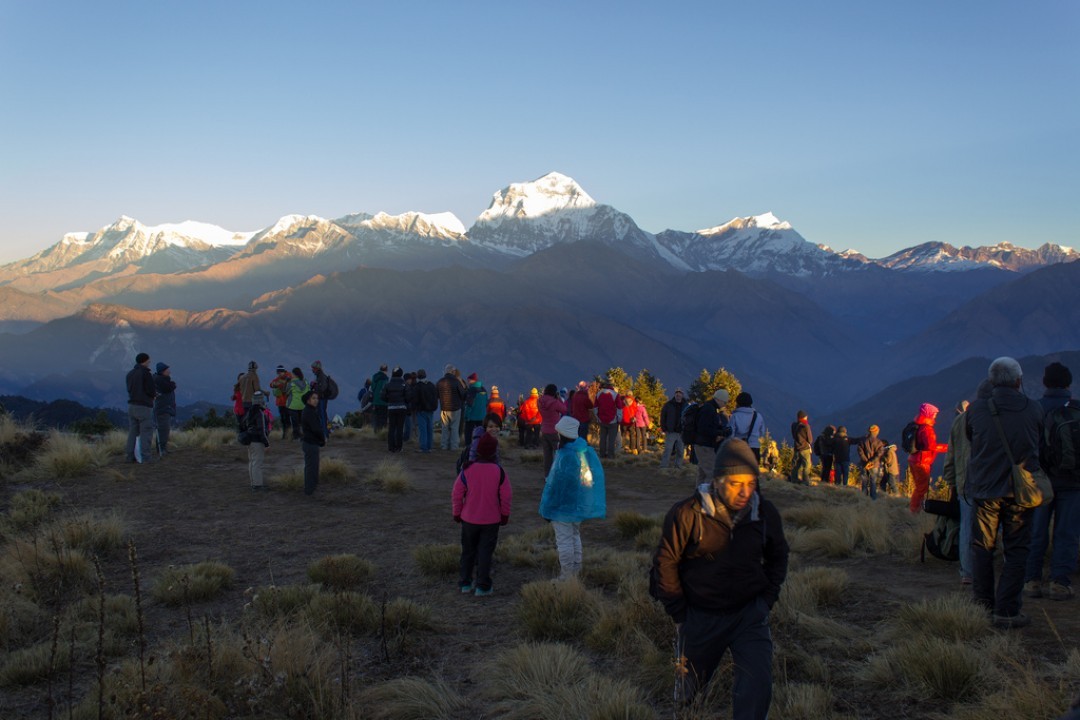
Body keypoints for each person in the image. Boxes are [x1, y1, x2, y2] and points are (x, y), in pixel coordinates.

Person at [649, 439, 789, 717]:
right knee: (689, 692)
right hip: (701, 617)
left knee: (757, 686)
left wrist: (766, 601)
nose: (745, 491)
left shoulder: (764, 513)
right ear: (717, 480)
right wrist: (681, 614)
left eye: (751, 483)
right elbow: (666, 563)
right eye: (736, 483)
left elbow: (779, 555)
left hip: (749, 615)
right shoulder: (687, 514)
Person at [965, 357, 1044, 628]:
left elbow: (971, 439)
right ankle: (1007, 610)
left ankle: (982, 605)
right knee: (1017, 549)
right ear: (1019, 380)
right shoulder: (1033, 409)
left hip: (985, 489)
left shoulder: (976, 411)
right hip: (1020, 491)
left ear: (991, 380)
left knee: (982, 548)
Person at [1026, 361, 1078, 601]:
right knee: (1066, 532)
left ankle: (1032, 580)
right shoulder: (1076, 409)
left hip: (1040, 480)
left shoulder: (1035, 408)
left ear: (1046, 383)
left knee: (1037, 531)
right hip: (1072, 481)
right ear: (1068, 384)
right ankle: (1059, 581)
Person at [540, 416, 606, 580]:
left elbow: (556, 485)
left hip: (563, 507)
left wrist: (549, 507)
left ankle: (567, 576)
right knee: (574, 536)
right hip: (578, 505)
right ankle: (576, 570)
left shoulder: (566, 456)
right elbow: (588, 480)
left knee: (564, 541)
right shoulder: (583, 451)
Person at [452, 432, 512, 597]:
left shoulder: (467, 470)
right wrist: (504, 515)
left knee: (468, 551)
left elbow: (457, 493)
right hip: (491, 520)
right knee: (485, 552)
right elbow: (506, 496)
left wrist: (457, 513)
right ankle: (482, 586)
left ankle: (465, 583)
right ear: (494, 452)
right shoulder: (499, 472)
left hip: (469, 519)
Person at [943, 399, 976, 584]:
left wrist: (951, 482)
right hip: (994, 483)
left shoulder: (959, 421)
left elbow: (951, 455)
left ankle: (967, 571)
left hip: (965, 482)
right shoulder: (997, 417)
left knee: (967, 527)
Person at [908, 403, 948, 513]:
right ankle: (914, 511)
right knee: (921, 489)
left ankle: (915, 509)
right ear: (929, 414)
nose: (935, 416)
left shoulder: (918, 425)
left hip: (914, 459)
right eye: (934, 414)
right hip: (922, 461)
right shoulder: (927, 428)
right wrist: (948, 447)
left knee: (919, 487)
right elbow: (931, 446)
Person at [125, 352, 157, 464]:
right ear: (145, 361)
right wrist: (154, 396)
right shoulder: (146, 374)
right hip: (143, 406)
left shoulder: (130, 374)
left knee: (133, 431)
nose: (150, 362)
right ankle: (146, 457)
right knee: (146, 432)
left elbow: (129, 389)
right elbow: (150, 390)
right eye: (149, 360)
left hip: (131, 405)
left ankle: (129, 456)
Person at [693, 390, 731, 483]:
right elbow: (704, 429)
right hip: (705, 445)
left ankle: (700, 494)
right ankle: (706, 494)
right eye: (724, 402)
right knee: (713, 473)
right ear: (719, 400)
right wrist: (720, 433)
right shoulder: (709, 410)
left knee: (703, 473)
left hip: (701, 444)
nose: (725, 404)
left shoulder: (708, 407)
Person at [300, 389, 325, 496]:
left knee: (312, 466)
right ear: (308, 400)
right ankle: (309, 490)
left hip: (309, 442)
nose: (316, 400)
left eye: (317, 398)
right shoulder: (310, 412)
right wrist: (322, 439)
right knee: (311, 467)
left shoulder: (309, 411)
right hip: (311, 443)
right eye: (313, 398)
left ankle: (311, 488)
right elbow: (316, 429)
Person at [246, 391, 273, 491]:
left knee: (252, 462)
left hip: (250, 441)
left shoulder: (250, 411)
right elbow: (261, 430)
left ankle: (254, 483)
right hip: (257, 441)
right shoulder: (259, 413)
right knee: (257, 463)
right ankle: (257, 486)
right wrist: (267, 444)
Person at [538, 384, 567, 475]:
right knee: (559, 453)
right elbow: (564, 409)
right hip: (554, 431)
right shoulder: (555, 402)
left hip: (544, 430)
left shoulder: (539, 401)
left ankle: (547, 475)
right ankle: (559, 473)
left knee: (547, 456)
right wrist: (558, 398)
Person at [729, 392, 765, 463]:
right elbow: (762, 432)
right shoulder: (758, 416)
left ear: (738, 403)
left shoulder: (735, 416)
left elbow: (730, 434)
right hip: (754, 449)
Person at [437, 364, 466, 451]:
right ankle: (454, 447)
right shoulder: (456, 382)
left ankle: (444, 446)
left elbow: (436, 394)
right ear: (452, 372)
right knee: (454, 428)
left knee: (445, 428)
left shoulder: (440, 381)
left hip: (444, 408)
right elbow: (463, 394)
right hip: (455, 408)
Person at [152, 362, 176, 457]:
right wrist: (173, 384)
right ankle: (162, 449)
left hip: (163, 407)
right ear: (162, 371)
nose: (169, 372)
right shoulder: (161, 381)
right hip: (163, 408)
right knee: (164, 429)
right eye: (167, 370)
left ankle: (162, 448)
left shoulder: (158, 379)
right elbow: (168, 388)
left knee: (163, 429)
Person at [660, 388, 688, 469]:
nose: (678, 395)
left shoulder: (686, 406)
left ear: (682, 395)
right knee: (668, 450)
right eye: (677, 393)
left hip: (681, 432)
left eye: (680, 393)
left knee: (680, 451)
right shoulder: (668, 405)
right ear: (675, 394)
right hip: (671, 431)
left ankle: (678, 466)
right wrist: (664, 428)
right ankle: (664, 466)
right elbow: (663, 416)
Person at [383, 367, 408, 453]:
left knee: (392, 428)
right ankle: (399, 448)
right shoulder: (404, 384)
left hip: (391, 408)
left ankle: (391, 448)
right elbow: (409, 396)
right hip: (402, 408)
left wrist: (389, 401)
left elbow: (382, 396)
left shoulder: (388, 385)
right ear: (401, 374)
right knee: (400, 428)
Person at [594, 380, 622, 459]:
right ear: (612, 387)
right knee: (611, 439)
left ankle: (602, 454)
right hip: (612, 420)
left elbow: (595, 407)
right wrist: (619, 419)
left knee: (602, 438)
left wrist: (598, 417)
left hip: (602, 420)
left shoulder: (598, 394)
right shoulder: (615, 394)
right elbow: (619, 408)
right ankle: (610, 455)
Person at [856, 425, 885, 500]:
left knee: (864, 482)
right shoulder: (879, 442)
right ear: (876, 432)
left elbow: (860, 452)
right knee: (873, 482)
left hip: (863, 464)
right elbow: (879, 454)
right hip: (874, 465)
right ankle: (873, 499)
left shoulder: (862, 441)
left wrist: (866, 461)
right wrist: (871, 462)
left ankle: (863, 498)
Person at [414, 369, 438, 453]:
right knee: (430, 428)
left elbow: (415, 399)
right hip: (430, 410)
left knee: (423, 429)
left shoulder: (417, 386)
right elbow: (436, 396)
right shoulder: (431, 385)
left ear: (418, 376)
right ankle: (429, 446)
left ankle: (423, 447)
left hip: (421, 410)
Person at [269, 365, 293, 440]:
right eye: (278, 372)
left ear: (283, 371)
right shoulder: (278, 379)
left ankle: (289, 434)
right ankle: (285, 434)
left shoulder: (289, 376)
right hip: (280, 402)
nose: (279, 374)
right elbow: (271, 384)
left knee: (287, 418)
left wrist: (278, 384)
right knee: (283, 419)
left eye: (280, 372)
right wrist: (276, 384)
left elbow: (288, 383)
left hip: (287, 402)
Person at [463, 373, 488, 441]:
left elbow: (469, 404)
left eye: (469, 380)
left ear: (472, 380)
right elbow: (486, 403)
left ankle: (468, 446)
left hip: (472, 416)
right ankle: (480, 445)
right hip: (482, 415)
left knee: (468, 431)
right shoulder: (483, 389)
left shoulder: (471, 390)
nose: (468, 382)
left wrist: (466, 416)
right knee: (481, 432)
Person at [790, 410, 813, 485]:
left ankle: (794, 479)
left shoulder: (794, 425)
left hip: (797, 448)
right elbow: (810, 439)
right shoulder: (806, 426)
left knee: (796, 464)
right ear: (804, 417)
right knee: (806, 465)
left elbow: (794, 436)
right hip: (805, 449)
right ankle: (805, 481)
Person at [311, 361, 332, 435]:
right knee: (322, 415)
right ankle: (324, 432)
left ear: (317, 368)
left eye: (313, 368)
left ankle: (324, 433)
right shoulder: (320, 376)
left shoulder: (321, 377)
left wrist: (314, 387)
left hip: (322, 399)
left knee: (322, 415)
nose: (312, 370)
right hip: (322, 398)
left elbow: (322, 388)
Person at [286, 367, 308, 440]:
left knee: (295, 423)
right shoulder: (305, 382)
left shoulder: (291, 383)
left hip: (293, 405)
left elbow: (287, 392)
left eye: (292, 373)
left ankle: (296, 437)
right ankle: (304, 436)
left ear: (295, 374)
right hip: (303, 405)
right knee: (302, 422)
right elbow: (308, 392)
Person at [370, 363, 389, 433]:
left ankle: (376, 432)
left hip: (375, 401)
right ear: (386, 370)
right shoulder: (385, 378)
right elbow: (386, 390)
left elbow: (372, 388)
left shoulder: (374, 376)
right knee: (383, 418)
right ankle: (381, 433)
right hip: (383, 401)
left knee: (376, 417)